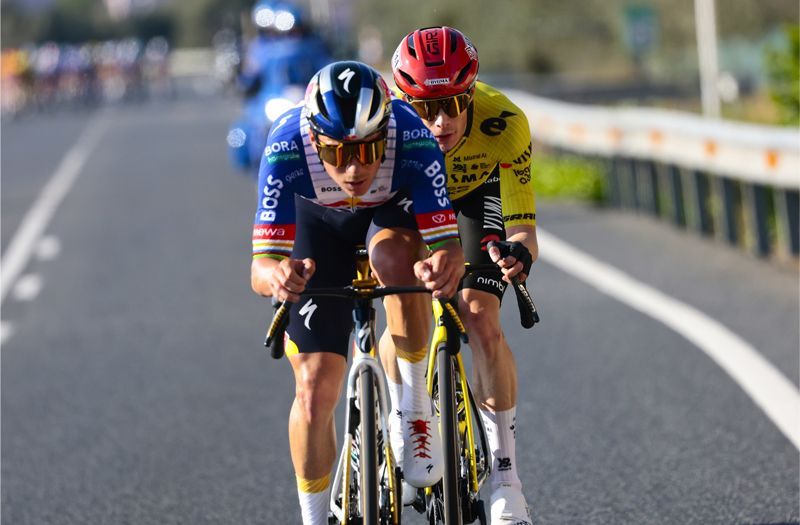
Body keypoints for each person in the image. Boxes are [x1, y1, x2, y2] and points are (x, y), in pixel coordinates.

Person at [249, 60, 465, 525]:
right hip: (318, 227)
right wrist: (279, 276)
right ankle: (313, 518)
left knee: (398, 262)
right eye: (337, 152)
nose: (353, 168)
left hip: (388, 216)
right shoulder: (285, 145)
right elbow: (260, 267)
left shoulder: (413, 137)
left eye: (369, 150)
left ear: (386, 133)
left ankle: (414, 409)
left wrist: (442, 265)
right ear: (314, 141)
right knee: (313, 391)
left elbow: (448, 245)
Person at [390, 27, 539, 524]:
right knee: (404, 299)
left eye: (454, 104)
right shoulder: (387, 126)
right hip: (411, 200)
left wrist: (519, 254)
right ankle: (403, 412)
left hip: (475, 197)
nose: (441, 121)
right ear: (404, 102)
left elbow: (523, 226)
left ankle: (505, 480)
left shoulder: (504, 123)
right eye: (425, 108)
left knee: (480, 316)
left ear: (471, 93)